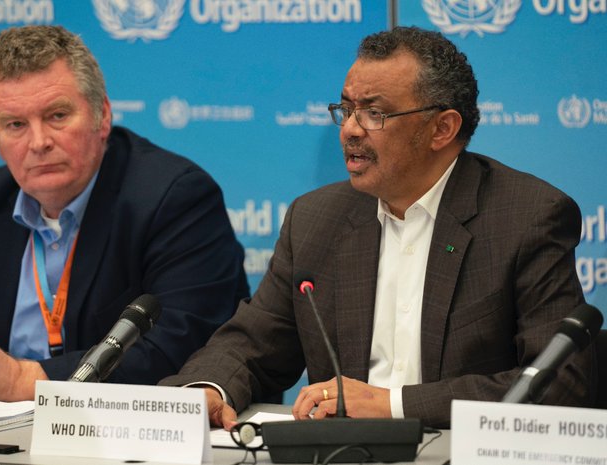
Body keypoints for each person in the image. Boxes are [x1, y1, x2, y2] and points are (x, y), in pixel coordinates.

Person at [160, 26, 595, 429]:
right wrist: (208, 389)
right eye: (346, 109)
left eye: (374, 113)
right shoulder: (316, 219)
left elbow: (559, 383)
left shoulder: (525, 217)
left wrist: (394, 405)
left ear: (442, 128)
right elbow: (252, 344)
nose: (350, 129)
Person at [0, 25, 249, 401]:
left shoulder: (173, 198)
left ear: (102, 116)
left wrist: (24, 380)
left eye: (57, 115)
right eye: (15, 125)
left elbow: (184, 349)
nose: (39, 142)